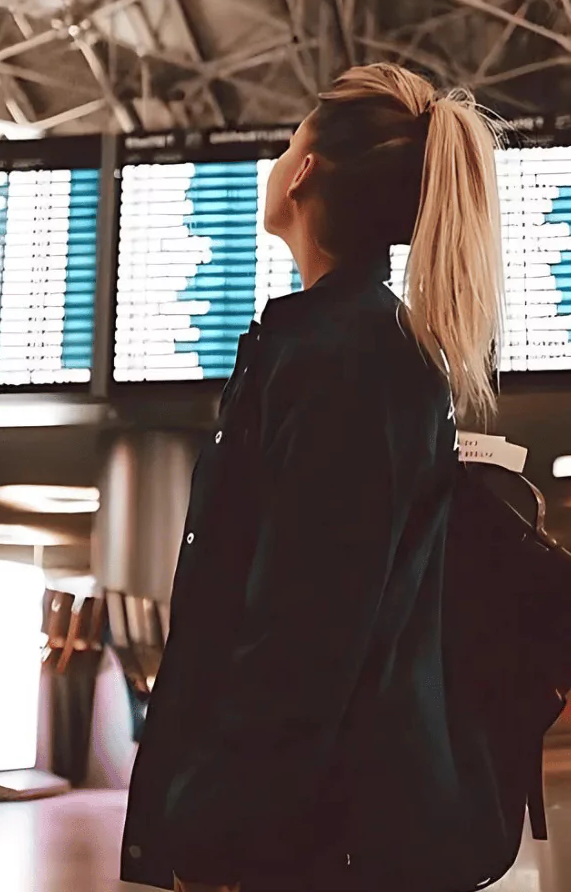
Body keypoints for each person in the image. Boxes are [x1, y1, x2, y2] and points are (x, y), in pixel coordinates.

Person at [122, 63, 507, 892]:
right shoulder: (353, 350)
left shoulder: (346, 362)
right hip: (338, 821)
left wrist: (220, 830)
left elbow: (301, 630)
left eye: (288, 137)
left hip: (314, 840)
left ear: (303, 172)